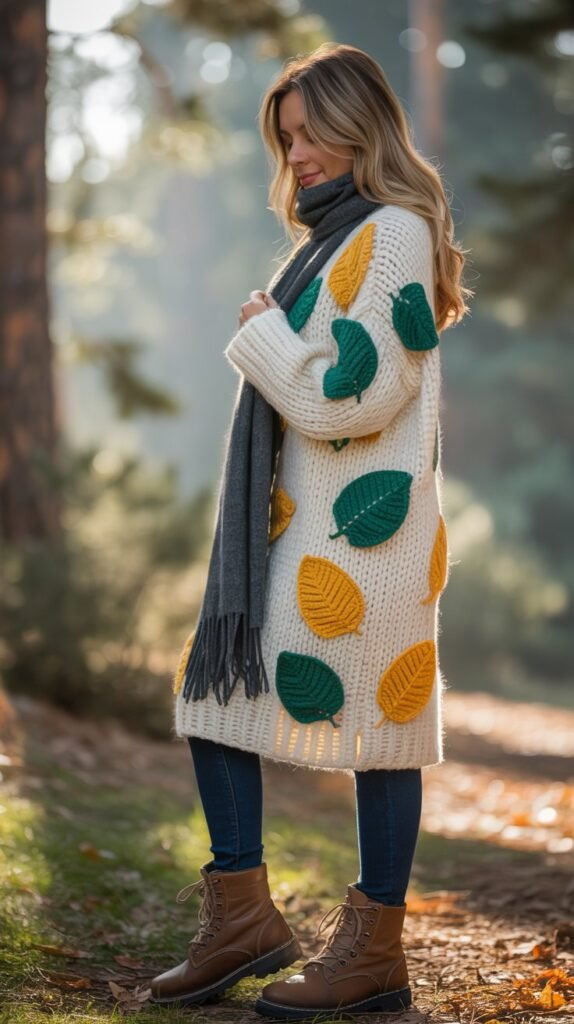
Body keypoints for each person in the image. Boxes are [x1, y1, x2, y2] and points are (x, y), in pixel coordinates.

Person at [150, 42, 471, 1019]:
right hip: (312, 530)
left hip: (361, 545)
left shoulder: (396, 232)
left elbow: (354, 395)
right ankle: (246, 918)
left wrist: (262, 334)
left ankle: (372, 949)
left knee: (379, 731)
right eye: (284, 140)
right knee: (219, 703)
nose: (294, 155)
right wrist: (276, 331)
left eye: (308, 133)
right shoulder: (343, 239)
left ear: (358, 123)